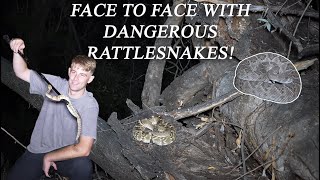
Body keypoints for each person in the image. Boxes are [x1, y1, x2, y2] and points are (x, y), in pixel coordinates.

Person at [7, 38, 99, 180]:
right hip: (37, 151)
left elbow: (84, 149)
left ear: (90, 79)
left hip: (65, 155)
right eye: (74, 72)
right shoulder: (54, 84)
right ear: (69, 71)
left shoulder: (89, 104)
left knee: (83, 167)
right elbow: (22, 72)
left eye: (82, 75)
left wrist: (50, 157)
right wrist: (17, 51)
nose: (76, 78)